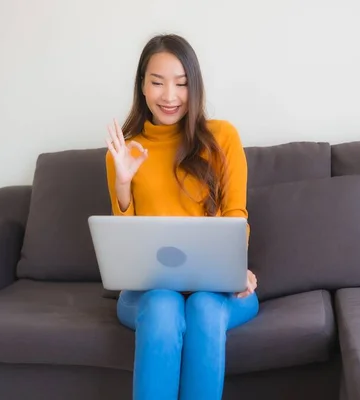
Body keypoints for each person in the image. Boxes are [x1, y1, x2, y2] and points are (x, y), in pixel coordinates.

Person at [104, 34, 259, 400]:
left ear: (196, 87)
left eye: (181, 83)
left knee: (204, 306)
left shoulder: (222, 137)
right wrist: (123, 182)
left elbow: (237, 213)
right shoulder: (124, 153)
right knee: (163, 303)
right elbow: (125, 254)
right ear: (142, 85)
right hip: (147, 293)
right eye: (157, 82)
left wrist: (234, 266)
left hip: (217, 289)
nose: (169, 96)